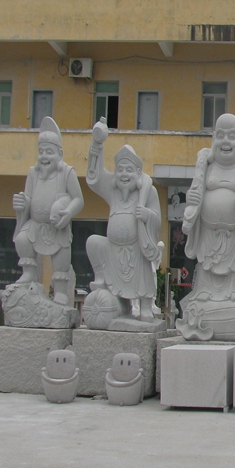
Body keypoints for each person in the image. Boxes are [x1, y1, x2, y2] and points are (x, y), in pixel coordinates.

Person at [177, 113, 235, 340]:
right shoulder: (206, 164)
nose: (226, 142)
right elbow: (196, 192)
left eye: (232, 136)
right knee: (205, 280)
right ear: (214, 138)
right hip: (208, 234)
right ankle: (204, 295)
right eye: (221, 136)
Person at [85, 122, 161, 320]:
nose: (124, 174)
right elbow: (94, 179)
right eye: (120, 170)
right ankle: (104, 283)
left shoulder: (148, 191)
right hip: (113, 249)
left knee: (144, 258)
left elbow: (157, 219)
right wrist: (97, 146)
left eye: (129, 170)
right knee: (93, 242)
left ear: (137, 173)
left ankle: (145, 305)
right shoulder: (113, 191)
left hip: (137, 248)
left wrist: (147, 216)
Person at [12, 117, 83, 305]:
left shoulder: (67, 172)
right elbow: (28, 196)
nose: (44, 156)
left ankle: (60, 291)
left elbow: (78, 199)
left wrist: (68, 213)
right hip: (35, 224)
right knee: (22, 239)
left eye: (49, 152)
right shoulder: (33, 173)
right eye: (41, 151)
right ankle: (28, 273)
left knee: (61, 260)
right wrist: (22, 203)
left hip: (57, 227)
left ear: (60, 153)